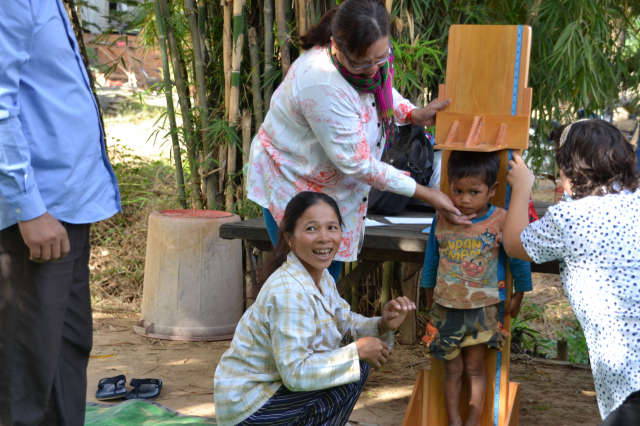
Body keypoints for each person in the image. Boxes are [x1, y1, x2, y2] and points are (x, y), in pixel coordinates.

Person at [246, 0, 470, 282]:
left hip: (330, 187)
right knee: (304, 283)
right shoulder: (322, 82)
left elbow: (380, 91)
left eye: (381, 58)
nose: (374, 70)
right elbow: (358, 163)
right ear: (336, 46)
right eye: (363, 63)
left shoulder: (370, 62)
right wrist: (426, 193)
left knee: (326, 283)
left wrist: (413, 114)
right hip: (292, 181)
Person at [0, 1, 121, 425]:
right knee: (27, 367)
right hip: (35, 216)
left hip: (67, 207)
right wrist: (27, 206)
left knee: (66, 351)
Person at [214, 191, 416, 425]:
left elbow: (344, 320)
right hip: (249, 407)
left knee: (356, 362)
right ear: (290, 238)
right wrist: (355, 352)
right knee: (352, 366)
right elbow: (296, 373)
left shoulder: (321, 277)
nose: (324, 238)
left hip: (272, 394)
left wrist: (382, 323)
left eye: (332, 228)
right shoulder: (288, 291)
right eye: (311, 229)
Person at [503, 119, 640, 425]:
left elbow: (514, 243)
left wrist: (522, 187)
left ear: (568, 169)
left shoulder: (570, 218)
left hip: (630, 378)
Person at [420, 151, 532, 426]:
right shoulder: (442, 217)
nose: (465, 199)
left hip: (483, 311)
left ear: (492, 190)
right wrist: (428, 292)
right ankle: (454, 421)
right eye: (458, 191)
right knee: (452, 369)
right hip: (446, 309)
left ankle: (472, 421)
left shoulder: (501, 219)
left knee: (474, 368)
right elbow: (432, 258)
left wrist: (519, 293)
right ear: (449, 185)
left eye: (474, 192)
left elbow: (518, 257)